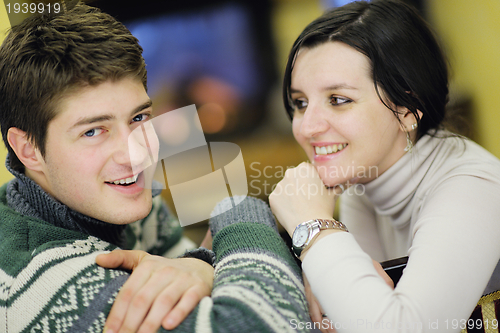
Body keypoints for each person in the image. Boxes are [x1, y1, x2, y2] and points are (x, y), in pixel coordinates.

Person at [0, 2, 309, 332]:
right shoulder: (47, 278)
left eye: (139, 118)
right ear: (28, 149)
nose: (135, 155)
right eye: (93, 131)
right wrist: (239, 211)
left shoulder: (123, 200)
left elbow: (225, 279)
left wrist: (200, 265)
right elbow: (265, 323)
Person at [269, 0, 500, 332]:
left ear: (407, 109)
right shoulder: (362, 189)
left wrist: (313, 230)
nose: (306, 127)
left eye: (338, 100)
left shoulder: (472, 188)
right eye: (301, 103)